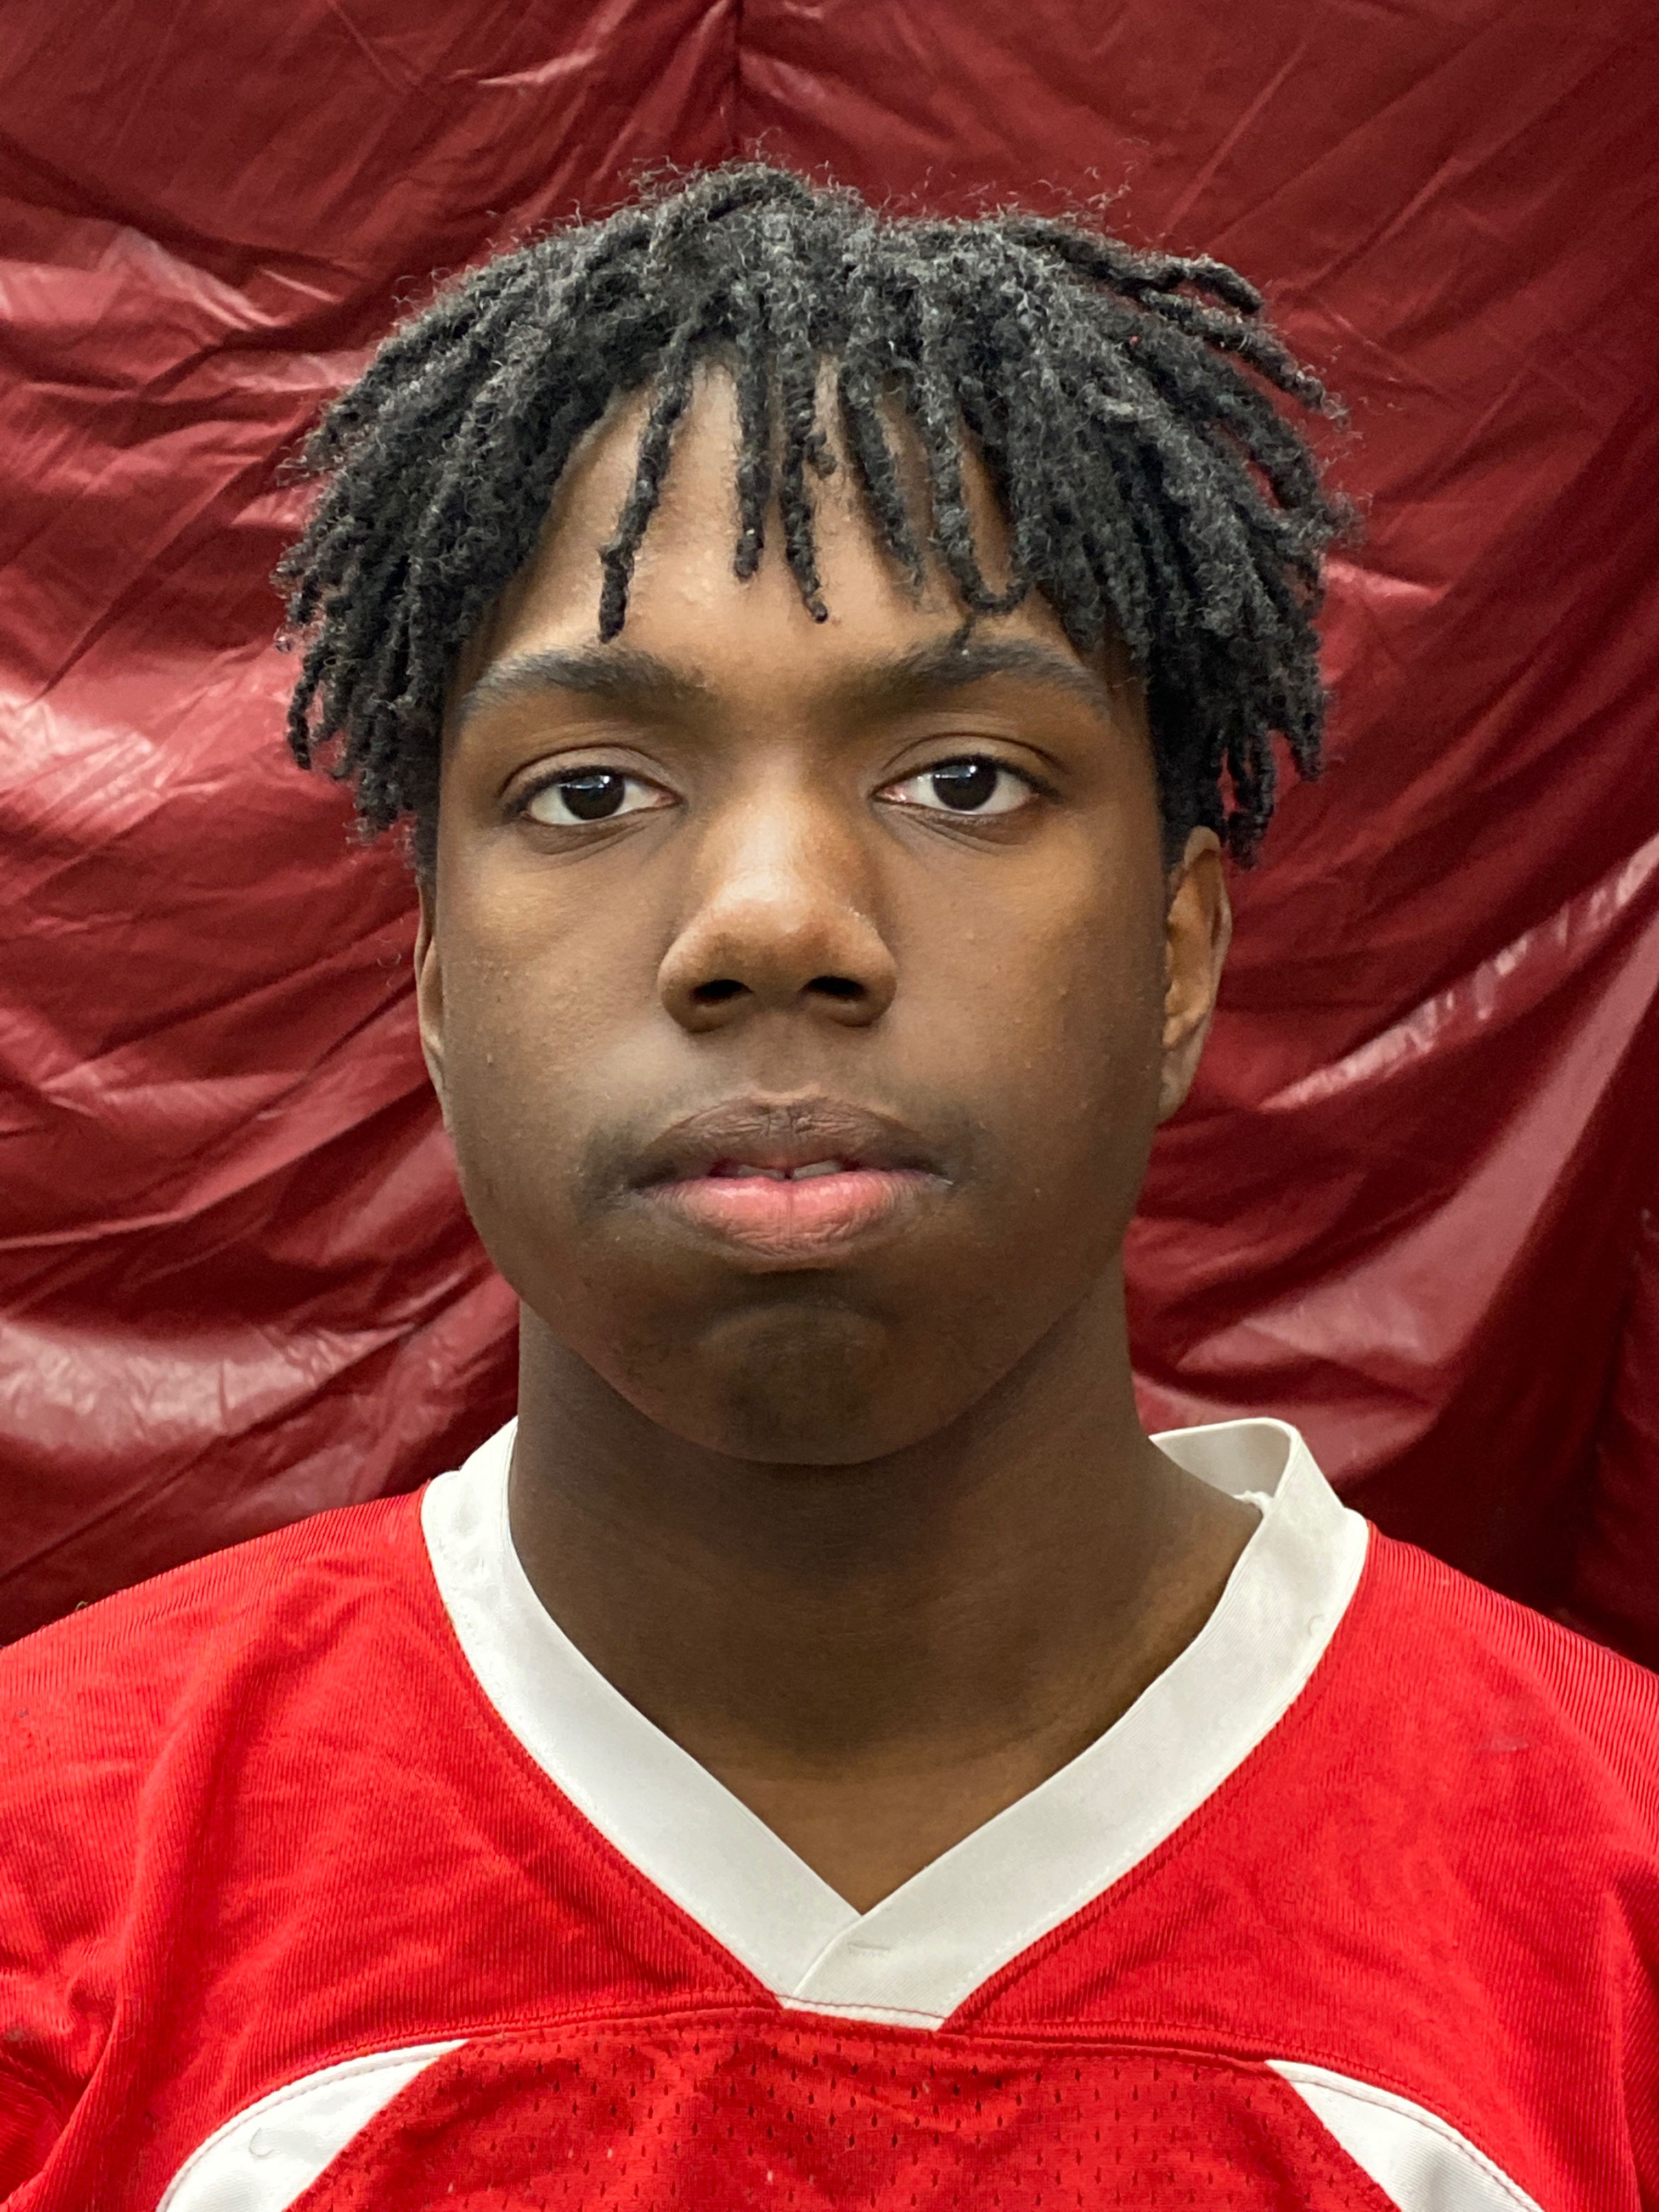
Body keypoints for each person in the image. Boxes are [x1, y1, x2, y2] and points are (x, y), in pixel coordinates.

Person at [0, 163, 1652, 2212]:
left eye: (964, 778)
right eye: (590, 789)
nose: (775, 920)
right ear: (432, 986)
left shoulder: (1613, 1919)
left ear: (1176, 959)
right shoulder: (47, 1881)